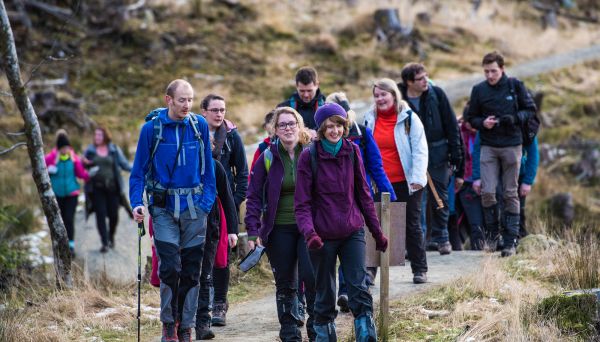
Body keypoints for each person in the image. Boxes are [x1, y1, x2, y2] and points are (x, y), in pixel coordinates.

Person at [129, 79, 216, 341]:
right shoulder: (150, 130)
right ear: (168, 99)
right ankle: (169, 324)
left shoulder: (199, 125)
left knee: (191, 272)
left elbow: (209, 170)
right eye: (182, 100)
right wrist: (137, 203)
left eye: (190, 99)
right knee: (169, 269)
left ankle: (186, 326)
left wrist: (206, 204)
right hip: (163, 210)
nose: (187, 105)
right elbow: (137, 173)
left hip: (195, 210)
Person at [295, 103, 389, 341]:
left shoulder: (352, 151)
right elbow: (302, 203)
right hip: (321, 236)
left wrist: (377, 232)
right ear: (321, 129)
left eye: (338, 125)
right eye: (329, 126)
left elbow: (363, 194)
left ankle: (366, 335)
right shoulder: (309, 156)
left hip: (352, 230)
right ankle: (325, 335)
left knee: (358, 287)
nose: (334, 130)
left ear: (344, 126)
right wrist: (310, 234)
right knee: (325, 293)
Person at [245, 107, 316, 341]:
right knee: (285, 282)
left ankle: (318, 328)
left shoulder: (312, 152)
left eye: (292, 123)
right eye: (282, 125)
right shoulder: (268, 156)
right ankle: (289, 331)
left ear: (300, 126)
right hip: (279, 229)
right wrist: (253, 231)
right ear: (275, 130)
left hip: (310, 228)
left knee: (312, 277)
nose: (288, 128)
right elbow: (254, 196)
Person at [325, 91, 396, 313]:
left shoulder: (362, 135)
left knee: (353, 246)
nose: (335, 126)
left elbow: (376, 166)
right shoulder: (317, 147)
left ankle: (348, 292)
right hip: (327, 206)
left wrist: (389, 196)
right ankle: (343, 293)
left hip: (356, 200)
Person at [466, 51, 536, 257]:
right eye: (486, 71)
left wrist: (513, 118)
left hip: (512, 145)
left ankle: (510, 241)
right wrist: (482, 123)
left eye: (493, 71)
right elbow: (471, 117)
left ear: (502, 69)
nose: (490, 75)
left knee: (510, 192)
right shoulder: (478, 90)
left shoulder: (515, 86)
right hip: (488, 145)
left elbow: (530, 111)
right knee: (487, 192)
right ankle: (493, 237)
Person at [363, 78, 429, 284]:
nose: (380, 99)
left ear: (393, 94)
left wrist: (418, 178)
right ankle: (370, 272)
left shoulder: (409, 118)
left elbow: (420, 149)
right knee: (374, 224)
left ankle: (419, 269)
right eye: (376, 95)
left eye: (384, 94)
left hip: (407, 182)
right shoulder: (369, 119)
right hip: (379, 182)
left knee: (411, 225)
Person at [398, 63, 463, 255]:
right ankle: (418, 243)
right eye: (420, 78)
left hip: (438, 154)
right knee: (416, 200)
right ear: (409, 82)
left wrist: (456, 155)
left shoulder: (437, 95)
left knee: (440, 197)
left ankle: (442, 238)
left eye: (426, 76)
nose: (426, 81)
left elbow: (452, 125)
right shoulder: (398, 98)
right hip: (410, 157)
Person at [200, 94, 247, 327]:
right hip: (199, 205)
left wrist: (233, 202)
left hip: (224, 204)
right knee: (199, 255)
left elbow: (243, 174)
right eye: (215, 110)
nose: (220, 114)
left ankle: (220, 303)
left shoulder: (231, 136)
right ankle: (202, 304)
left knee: (222, 256)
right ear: (204, 111)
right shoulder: (194, 134)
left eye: (223, 110)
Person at [195, 157, 238, 340]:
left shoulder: (214, 165)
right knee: (185, 275)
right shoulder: (175, 159)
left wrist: (233, 231)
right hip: (180, 226)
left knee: (205, 274)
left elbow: (227, 198)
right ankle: (180, 320)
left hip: (210, 225)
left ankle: (203, 323)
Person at [472, 133, 539, 243]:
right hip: (494, 173)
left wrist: (528, 181)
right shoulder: (489, 120)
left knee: (518, 209)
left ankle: (517, 240)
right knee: (496, 204)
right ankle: (496, 239)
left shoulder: (523, 121)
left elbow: (533, 153)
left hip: (518, 174)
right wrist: (477, 176)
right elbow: (478, 150)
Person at [83, 127, 132, 252]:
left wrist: (138, 169)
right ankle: (104, 242)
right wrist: (85, 164)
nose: (97, 137)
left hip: (113, 188)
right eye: (96, 135)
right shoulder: (90, 151)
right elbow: (81, 166)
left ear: (105, 136)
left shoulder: (114, 149)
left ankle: (111, 237)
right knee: (100, 214)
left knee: (114, 215)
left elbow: (124, 164)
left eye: (100, 135)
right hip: (97, 189)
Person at [45, 129, 89, 257]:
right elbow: (40, 172)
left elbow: (81, 174)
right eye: (62, 148)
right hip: (56, 195)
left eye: (67, 147)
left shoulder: (74, 158)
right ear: (58, 148)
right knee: (60, 221)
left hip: (72, 194)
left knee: (69, 219)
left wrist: (90, 175)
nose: (65, 150)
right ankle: (59, 246)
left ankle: (70, 246)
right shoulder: (50, 158)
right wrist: (49, 169)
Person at [278, 66, 326, 135]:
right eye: (302, 91)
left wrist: (317, 133)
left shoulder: (327, 108)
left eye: (309, 90)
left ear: (317, 85)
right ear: (296, 86)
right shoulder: (282, 108)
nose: (306, 95)